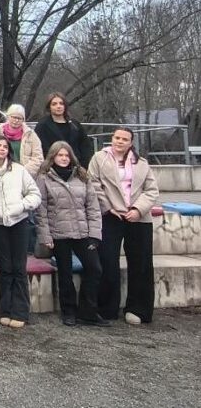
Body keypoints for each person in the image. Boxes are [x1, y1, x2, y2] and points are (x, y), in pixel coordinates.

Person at [88, 127, 159, 324]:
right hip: (111, 215)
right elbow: (93, 184)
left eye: (124, 139)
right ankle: (107, 308)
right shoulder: (99, 158)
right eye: (117, 138)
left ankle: (139, 309)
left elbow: (152, 190)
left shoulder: (142, 163)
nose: (120, 141)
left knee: (141, 262)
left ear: (131, 142)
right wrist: (108, 207)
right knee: (108, 260)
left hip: (138, 217)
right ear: (112, 139)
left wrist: (138, 209)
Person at [36, 141, 108, 327]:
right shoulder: (44, 178)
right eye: (60, 155)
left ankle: (88, 311)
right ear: (52, 157)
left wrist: (94, 233)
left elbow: (92, 207)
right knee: (65, 275)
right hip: (59, 233)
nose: (63, 158)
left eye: (66, 155)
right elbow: (41, 210)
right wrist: (46, 236)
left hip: (82, 232)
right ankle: (68, 311)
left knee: (94, 268)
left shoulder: (82, 176)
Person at [0, 135, 41, 329]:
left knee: (19, 267)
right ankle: (6, 310)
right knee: (5, 267)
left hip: (19, 222)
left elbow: (34, 194)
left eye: (5, 146)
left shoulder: (19, 170)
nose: (2, 149)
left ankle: (21, 311)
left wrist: (21, 206)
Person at [35, 92, 94, 168]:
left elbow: (85, 146)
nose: (58, 106)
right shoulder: (42, 126)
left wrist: (83, 166)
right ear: (49, 107)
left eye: (61, 103)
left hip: (77, 167)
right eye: (54, 104)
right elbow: (41, 149)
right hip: (52, 169)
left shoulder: (75, 124)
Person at [1, 104, 43, 177]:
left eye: (20, 118)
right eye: (14, 117)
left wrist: (23, 171)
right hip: (2, 173)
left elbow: (38, 158)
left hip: (24, 175)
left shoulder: (31, 135)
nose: (16, 120)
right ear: (8, 117)